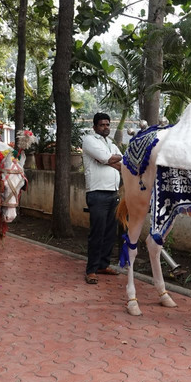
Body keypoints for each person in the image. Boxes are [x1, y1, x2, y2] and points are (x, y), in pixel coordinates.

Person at [82, 112, 123, 284]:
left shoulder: (111, 143)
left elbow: (122, 161)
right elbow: (106, 157)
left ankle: (103, 265)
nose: (105, 127)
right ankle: (91, 270)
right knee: (97, 233)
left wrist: (108, 160)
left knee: (110, 233)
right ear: (95, 127)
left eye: (107, 124)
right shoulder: (89, 140)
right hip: (97, 193)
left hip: (113, 193)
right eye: (102, 125)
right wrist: (107, 159)